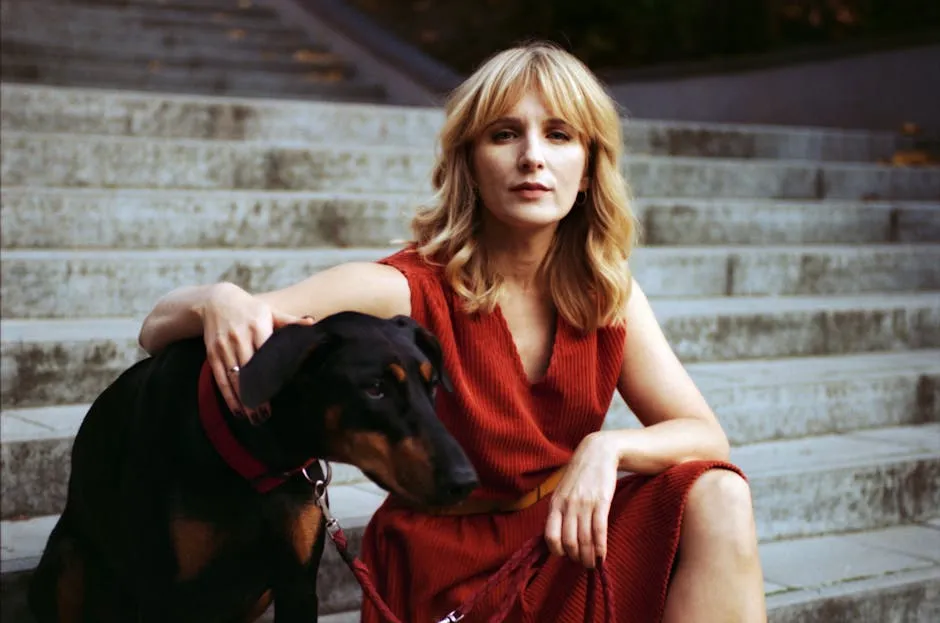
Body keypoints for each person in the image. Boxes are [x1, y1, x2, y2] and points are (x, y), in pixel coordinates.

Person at [139, 41, 766, 622]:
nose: (532, 157)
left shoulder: (608, 295)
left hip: (563, 540)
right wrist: (216, 300)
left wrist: (605, 449)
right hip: (445, 565)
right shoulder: (405, 289)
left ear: (588, 164)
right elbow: (156, 328)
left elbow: (707, 436)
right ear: (470, 159)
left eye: (558, 134)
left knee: (717, 494)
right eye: (504, 134)